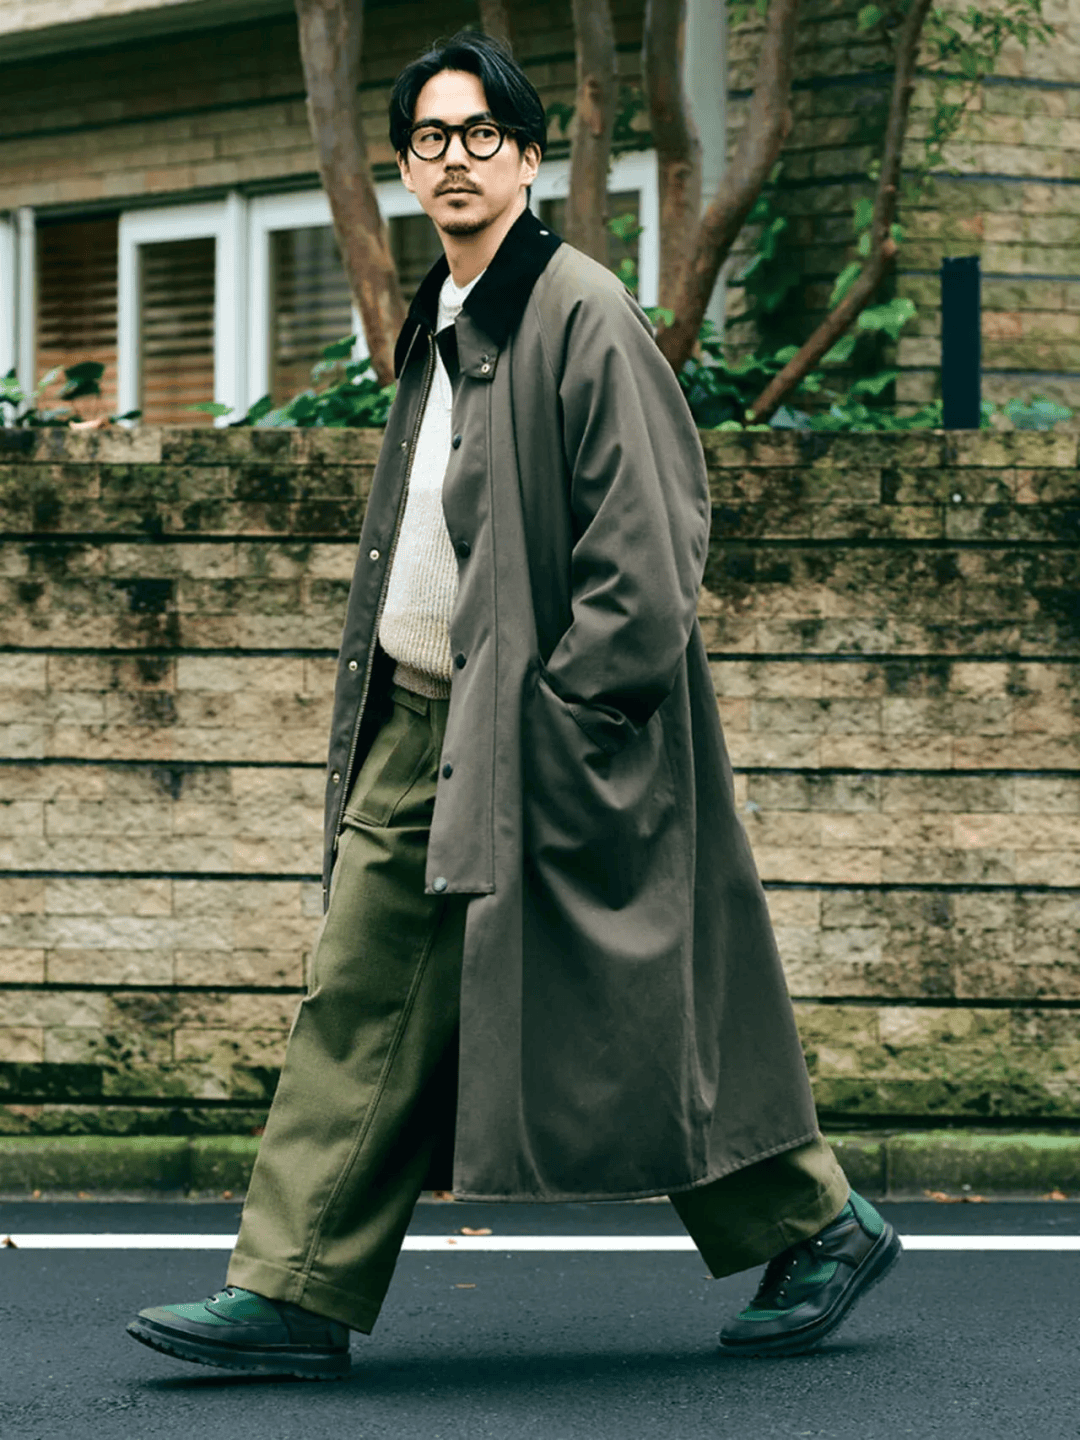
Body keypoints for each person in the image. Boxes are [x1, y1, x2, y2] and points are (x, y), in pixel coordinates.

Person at [127, 31, 900, 1380]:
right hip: (423, 720)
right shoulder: (446, 314)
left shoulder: (581, 313)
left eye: (482, 134)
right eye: (430, 138)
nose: (456, 160)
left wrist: (566, 716)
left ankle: (817, 1222)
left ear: (530, 157)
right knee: (360, 993)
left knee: (627, 1004)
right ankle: (292, 1291)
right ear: (404, 166)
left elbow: (651, 558)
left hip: (539, 729)